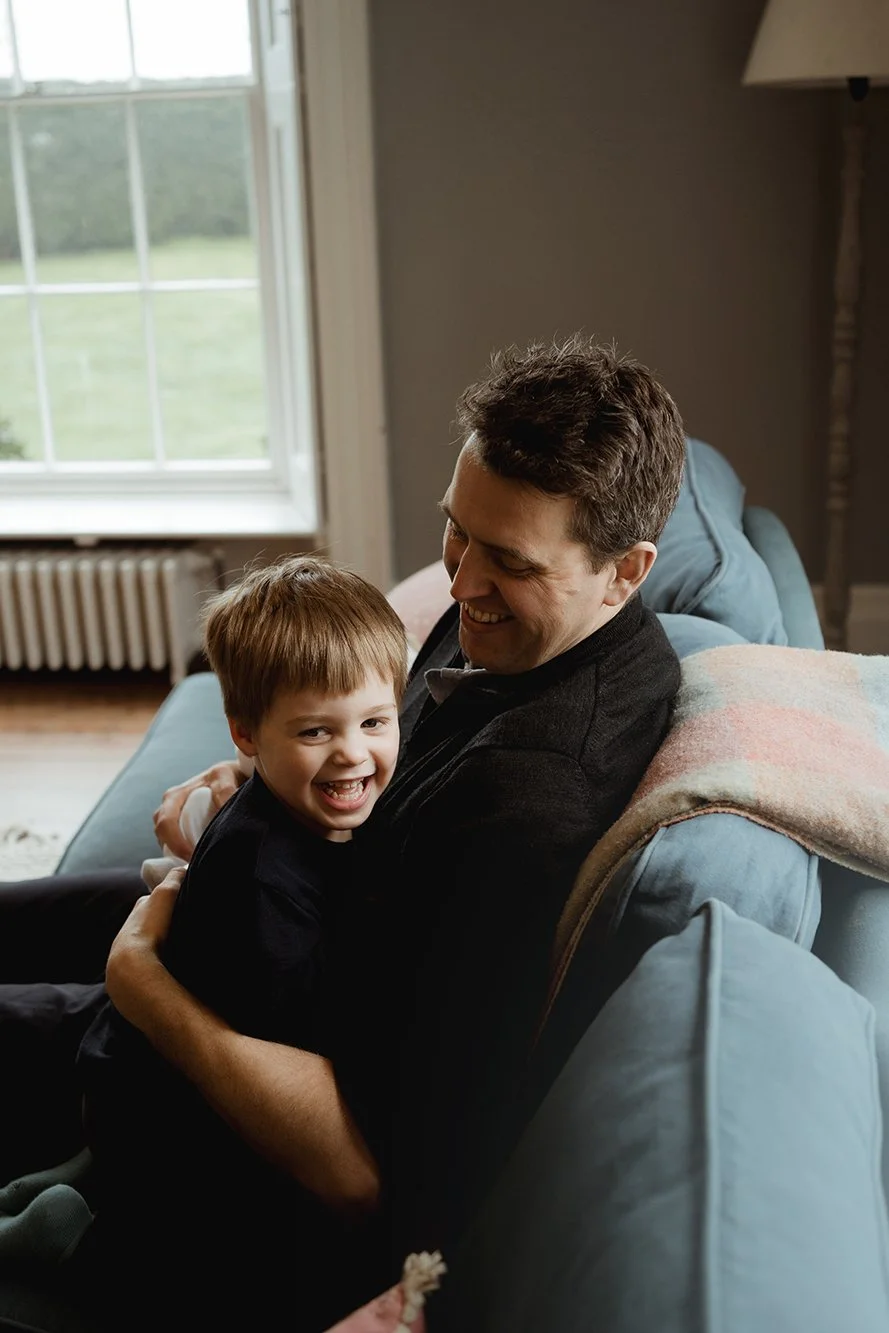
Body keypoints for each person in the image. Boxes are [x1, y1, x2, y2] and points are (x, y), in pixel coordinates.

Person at [0, 335, 686, 1311]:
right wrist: (269, 772)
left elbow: (366, 1177)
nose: (460, 583)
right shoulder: (529, 628)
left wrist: (143, 988)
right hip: (281, 899)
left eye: (507, 560)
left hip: (237, 1053)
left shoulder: (527, 810)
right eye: (456, 532)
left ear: (625, 570)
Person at [74, 555, 407, 1329]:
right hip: (154, 1113)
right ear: (246, 733)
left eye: (374, 722)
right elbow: (282, 1069)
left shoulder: (324, 808)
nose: (352, 752)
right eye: (315, 730)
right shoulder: (261, 879)